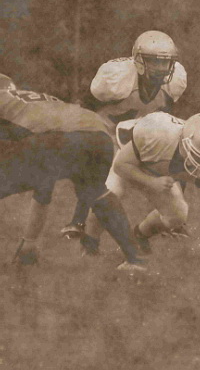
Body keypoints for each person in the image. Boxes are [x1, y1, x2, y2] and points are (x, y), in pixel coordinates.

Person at [0, 74, 145, 270]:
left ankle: (29, 248)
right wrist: (30, 241)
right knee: (97, 193)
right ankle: (135, 260)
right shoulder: (31, 99)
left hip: (58, 137)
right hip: (97, 134)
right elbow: (43, 182)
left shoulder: (8, 104)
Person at [62, 30, 191, 240]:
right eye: (155, 62)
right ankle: (78, 221)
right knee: (105, 176)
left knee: (170, 151)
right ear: (139, 62)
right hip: (105, 127)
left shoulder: (172, 82)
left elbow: (165, 115)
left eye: (165, 62)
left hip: (135, 130)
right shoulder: (118, 80)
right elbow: (86, 106)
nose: (161, 68)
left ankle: (173, 222)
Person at [83, 111, 200, 260]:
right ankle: (90, 244)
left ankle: (140, 235)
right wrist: (151, 182)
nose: (199, 163)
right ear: (183, 141)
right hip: (126, 153)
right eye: (195, 155)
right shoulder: (157, 133)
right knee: (111, 193)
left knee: (177, 215)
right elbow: (120, 166)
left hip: (156, 165)